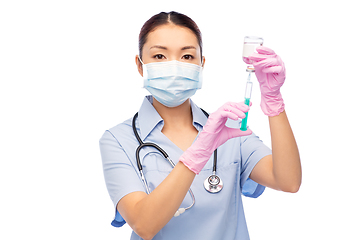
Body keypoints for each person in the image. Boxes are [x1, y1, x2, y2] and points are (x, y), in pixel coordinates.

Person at [99, 11, 301, 240]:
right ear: (140, 65)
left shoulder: (230, 130)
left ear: (201, 64)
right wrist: (199, 151)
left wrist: (274, 101)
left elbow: (288, 181)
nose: (174, 66)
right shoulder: (117, 140)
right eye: (159, 56)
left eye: (186, 57)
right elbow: (144, 225)